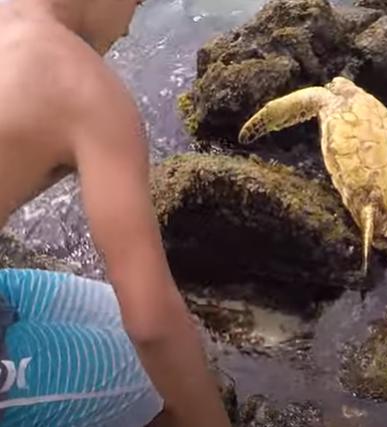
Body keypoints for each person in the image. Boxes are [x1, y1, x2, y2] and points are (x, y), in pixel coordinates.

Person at [0, 0, 233, 426]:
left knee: (114, 319)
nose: (128, 28)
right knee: (151, 382)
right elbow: (151, 324)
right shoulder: (81, 87)